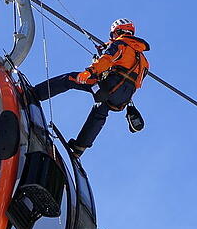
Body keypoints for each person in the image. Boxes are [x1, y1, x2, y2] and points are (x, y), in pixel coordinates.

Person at [34, 18, 150, 156]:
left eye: (113, 34)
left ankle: (34, 94)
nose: (112, 37)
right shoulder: (144, 60)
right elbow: (135, 79)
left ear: (118, 31)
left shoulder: (121, 44)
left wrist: (90, 71)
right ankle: (79, 147)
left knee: (70, 79)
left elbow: (107, 59)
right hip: (122, 98)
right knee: (100, 110)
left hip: (108, 87)